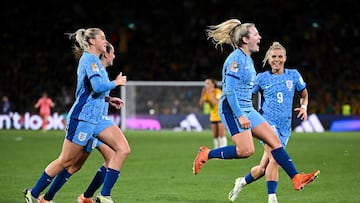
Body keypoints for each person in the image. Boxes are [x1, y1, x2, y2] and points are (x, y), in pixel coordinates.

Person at [192, 19, 319, 198]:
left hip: (248, 108)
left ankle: (296, 177)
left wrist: (247, 112)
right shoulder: (236, 59)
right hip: (232, 108)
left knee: (275, 143)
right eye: (256, 34)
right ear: (245, 39)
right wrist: (240, 115)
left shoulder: (248, 59)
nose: (259, 37)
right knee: (246, 151)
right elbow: (228, 91)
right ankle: (207, 153)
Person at [24, 28, 130, 203]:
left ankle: (104, 196)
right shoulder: (89, 60)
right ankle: (33, 194)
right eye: (102, 38)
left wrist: (109, 99)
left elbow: (94, 91)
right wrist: (116, 82)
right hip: (83, 118)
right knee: (66, 162)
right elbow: (96, 86)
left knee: (123, 149)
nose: (106, 41)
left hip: (97, 119)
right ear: (92, 42)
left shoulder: (95, 61)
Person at [228, 41, 310, 203]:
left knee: (262, 169)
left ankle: (241, 182)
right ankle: (272, 198)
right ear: (269, 58)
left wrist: (304, 107)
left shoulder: (293, 75)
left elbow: (304, 94)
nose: (277, 60)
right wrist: (243, 113)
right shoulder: (261, 78)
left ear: (285, 58)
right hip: (266, 125)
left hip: (285, 127)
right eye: (273, 56)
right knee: (275, 160)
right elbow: (245, 95)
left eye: (280, 56)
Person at [199, 78, 227, 148]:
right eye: (205, 83)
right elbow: (201, 104)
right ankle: (217, 151)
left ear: (213, 84)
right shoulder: (206, 93)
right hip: (213, 116)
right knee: (215, 136)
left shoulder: (218, 92)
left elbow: (215, 103)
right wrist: (202, 95)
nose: (206, 85)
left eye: (208, 83)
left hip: (221, 115)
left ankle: (223, 150)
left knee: (221, 135)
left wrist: (210, 94)